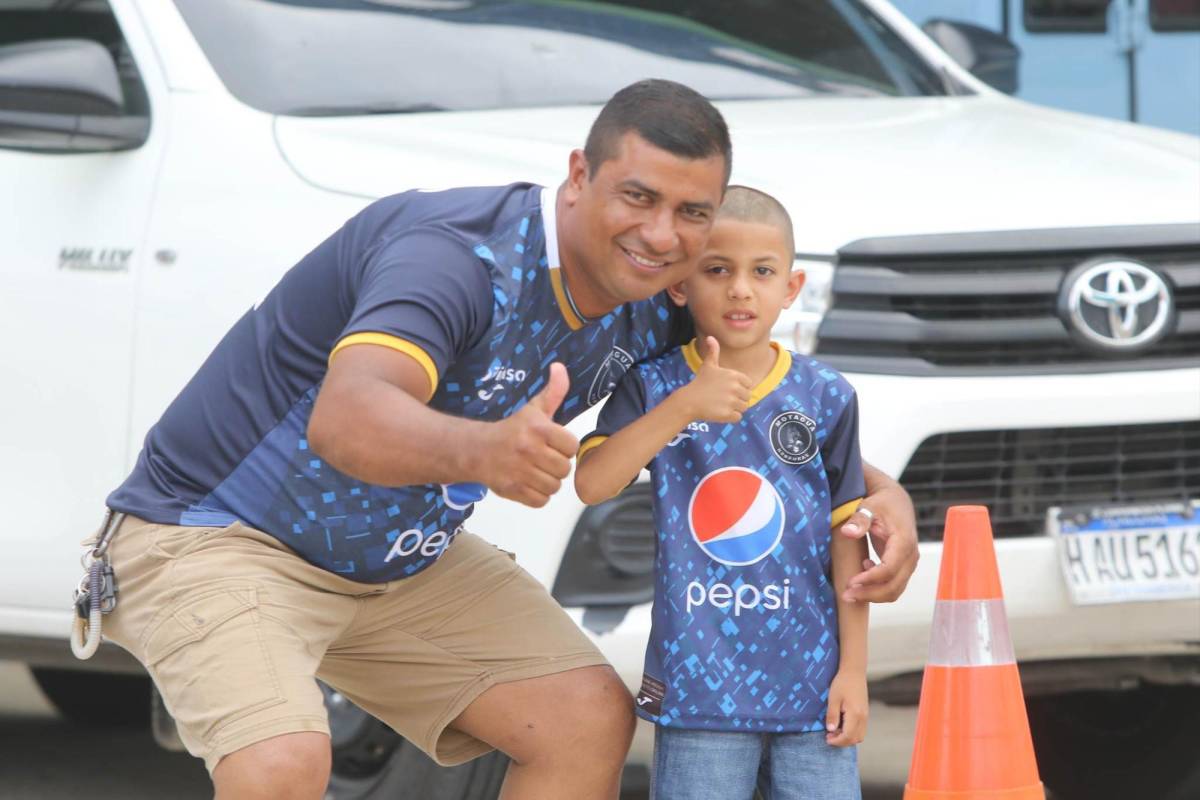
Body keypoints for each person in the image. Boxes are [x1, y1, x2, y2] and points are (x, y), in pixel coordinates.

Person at [90, 80, 916, 799]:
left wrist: (883, 496)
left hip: (396, 559)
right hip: (218, 533)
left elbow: (765, 415)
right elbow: (346, 418)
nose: (663, 235)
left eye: (691, 213)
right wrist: (484, 451)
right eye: (638, 197)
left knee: (585, 718)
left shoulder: (662, 293)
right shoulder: (456, 256)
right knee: (280, 763)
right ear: (579, 176)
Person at [575, 187, 871, 799]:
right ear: (680, 284)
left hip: (814, 692)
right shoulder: (655, 384)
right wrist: (685, 405)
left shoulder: (826, 395)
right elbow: (593, 483)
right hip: (698, 692)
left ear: (791, 287)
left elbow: (850, 540)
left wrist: (855, 671)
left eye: (762, 272)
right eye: (717, 270)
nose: (741, 289)